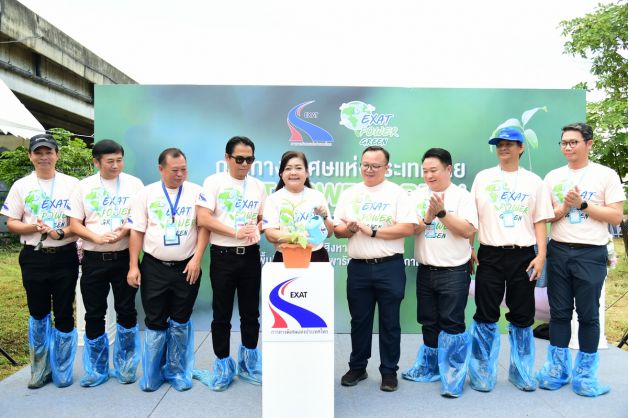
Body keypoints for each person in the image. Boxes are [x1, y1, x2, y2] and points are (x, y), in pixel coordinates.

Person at [537, 123, 625, 397]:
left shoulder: (605, 175)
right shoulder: (553, 176)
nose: (568, 147)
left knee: (588, 314)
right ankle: (557, 371)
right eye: (564, 142)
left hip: (591, 253)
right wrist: (565, 206)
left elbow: (615, 216)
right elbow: (546, 216)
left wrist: (583, 205)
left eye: (573, 142)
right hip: (559, 251)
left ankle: (586, 376)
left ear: (589, 144)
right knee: (559, 314)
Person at [469, 127, 553, 393]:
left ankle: (521, 372)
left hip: (523, 255)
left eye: (509, 143)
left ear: (521, 148)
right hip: (490, 254)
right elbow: (472, 218)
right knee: (485, 312)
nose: (503, 148)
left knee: (522, 313)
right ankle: (483, 372)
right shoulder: (483, 178)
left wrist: (541, 255)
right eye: (499, 144)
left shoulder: (534, 182)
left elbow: (540, 221)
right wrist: (469, 247)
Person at [334, 146, 416, 392]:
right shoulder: (349, 193)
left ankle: (389, 372)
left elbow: (408, 228)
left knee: (390, 321)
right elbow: (337, 230)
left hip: (389, 266)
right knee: (359, 320)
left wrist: (374, 232)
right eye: (365, 165)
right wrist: (348, 230)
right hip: (358, 267)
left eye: (375, 166)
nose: (369, 170)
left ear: (387, 168)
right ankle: (357, 367)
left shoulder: (397, 193)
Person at [1, 134, 79, 388]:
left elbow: (79, 223)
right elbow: (11, 222)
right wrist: (33, 227)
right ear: (30, 156)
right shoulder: (21, 185)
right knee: (38, 312)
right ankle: (40, 368)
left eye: (48, 152)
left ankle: (63, 368)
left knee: (64, 311)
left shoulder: (72, 185)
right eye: (38, 152)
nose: (44, 157)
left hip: (64, 255)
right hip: (33, 256)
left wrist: (59, 233)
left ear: (57, 155)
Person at [127, 148, 208, 392]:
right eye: (175, 170)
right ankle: (153, 373)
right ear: (161, 169)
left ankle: (177, 372)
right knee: (155, 320)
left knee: (181, 319)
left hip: (187, 267)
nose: (180, 174)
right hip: (154, 267)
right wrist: (133, 265)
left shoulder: (197, 192)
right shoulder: (146, 194)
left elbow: (203, 228)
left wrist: (196, 259)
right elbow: (137, 231)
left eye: (184, 169)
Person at [67, 139, 144, 387]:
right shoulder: (83, 187)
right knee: (94, 313)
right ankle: (96, 369)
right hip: (93, 259)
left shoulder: (134, 184)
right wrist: (95, 237)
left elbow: (139, 219)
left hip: (123, 258)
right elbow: (74, 224)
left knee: (127, 310)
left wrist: (125, 231)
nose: (115, 165)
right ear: (96, 162)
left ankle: (126, 366)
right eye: (110, 161)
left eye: (119, 160)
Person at [402, 148, 478, 398]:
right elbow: (412, 229)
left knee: (452, 322)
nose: (429, 176)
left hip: (453, 271)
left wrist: (442, 214)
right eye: (425, 171)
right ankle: (430, 367)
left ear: (448, 169)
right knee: (428, 320)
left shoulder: (462, 196)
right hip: (426, 269)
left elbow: (467, 230)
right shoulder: (417, 195)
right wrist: (428, 216)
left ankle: (454, 375)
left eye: (433, 170)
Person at [195, 136, 266, 391]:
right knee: (222, 313)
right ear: (227, 158)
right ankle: (223, 366)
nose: (245, 164)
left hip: (250, 255)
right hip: (223, 255)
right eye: (239, 159)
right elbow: (203, 218)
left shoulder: (258, 186)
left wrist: (257, 228)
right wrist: (234, 232)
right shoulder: (213, 182)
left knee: (251, 313)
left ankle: (249, 365)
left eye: (250, 159)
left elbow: (263, 218)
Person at [262, 150, 333, 261]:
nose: (293, 172)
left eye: (298, 168)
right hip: (285, 257)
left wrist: (324, 217)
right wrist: (298, 237)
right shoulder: (273, 199)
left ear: (307, 172)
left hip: (316, 256)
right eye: (288, 168)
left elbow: (328, 233)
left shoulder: (317, 196)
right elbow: (270, 234)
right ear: (281, 174)